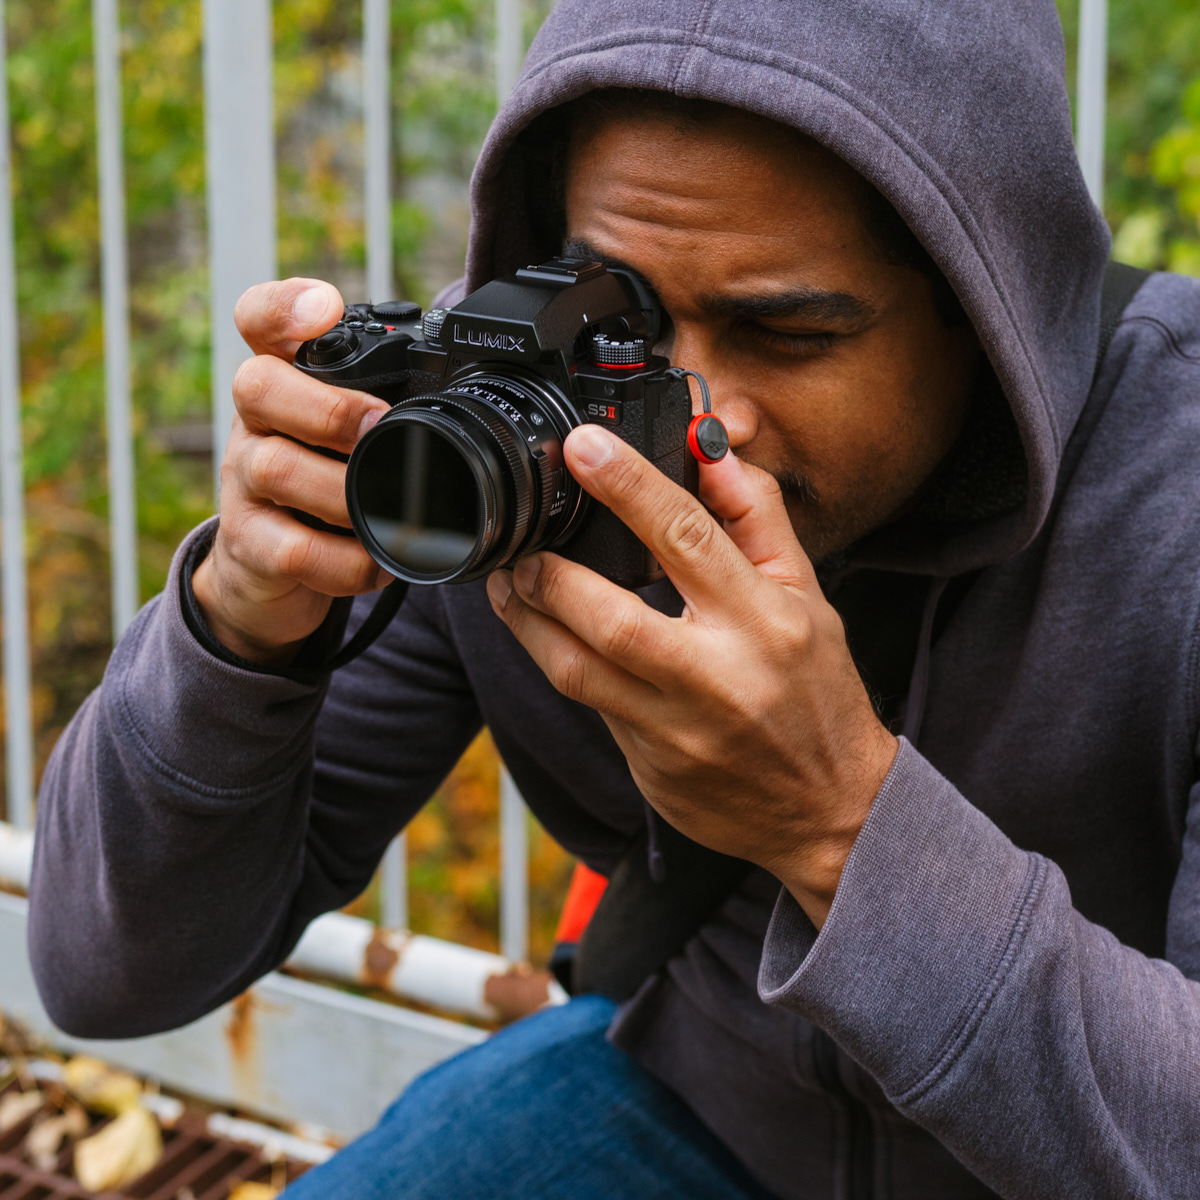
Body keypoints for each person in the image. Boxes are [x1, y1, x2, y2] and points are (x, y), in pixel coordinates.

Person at [25, 0, 1200, 1196]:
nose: (698, 427)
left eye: (783, 331)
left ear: (986, 298)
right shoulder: (520, 442)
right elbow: (105, 973)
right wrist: (233, 632)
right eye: (628, 330)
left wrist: (839, 826)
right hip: (700, 1099)